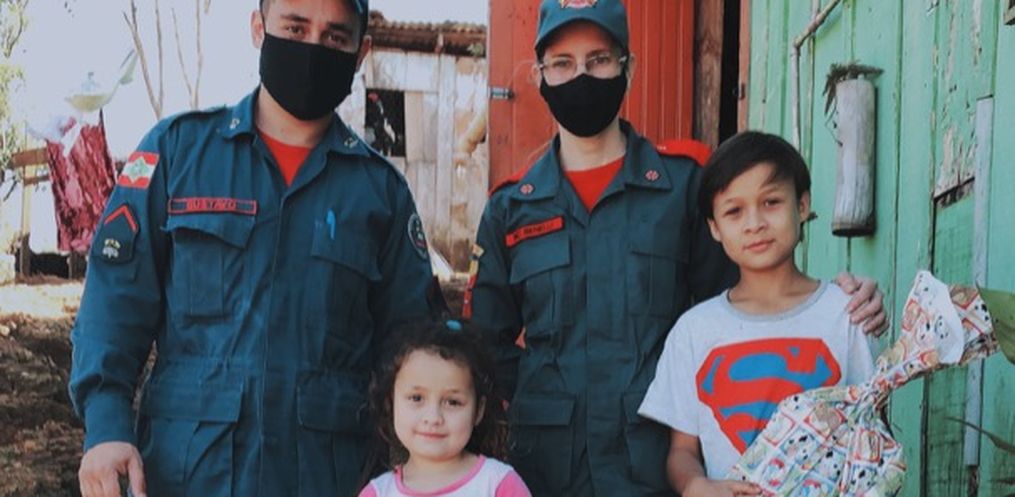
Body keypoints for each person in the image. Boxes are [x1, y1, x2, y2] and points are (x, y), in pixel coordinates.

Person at [464, 1, 887, 496]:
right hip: (546, 468)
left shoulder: (683, 185)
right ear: (539, 76)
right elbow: (483, 345)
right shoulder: (511, 208)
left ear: (628, 68)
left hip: (658, 463)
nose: (581, 76)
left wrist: (835, 300)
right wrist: (546, 394)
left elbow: (747, 302)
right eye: (562, 63)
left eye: (599, 59)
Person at [69, 1, 443, 496]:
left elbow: (417, 348)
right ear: (258, 27)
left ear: (361, 52)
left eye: (335, 37)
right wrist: (106, 426)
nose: (313, 48)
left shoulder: (380, 194)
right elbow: (114, 305)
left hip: (328, 477)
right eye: (295, 27)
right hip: (188, 476)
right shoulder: (178, 154)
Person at [637, 131, 876, 496]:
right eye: (734, 211)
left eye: (771, 202)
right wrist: (696, 485)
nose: (755, 224)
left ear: (802, 205)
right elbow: (682, 451)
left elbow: (872, 433)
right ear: (714, 228)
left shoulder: (846, 314)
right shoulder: (694, 330)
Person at [359, 320, 531, 497]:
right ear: (390, 403)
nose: (433, 417)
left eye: (452, 402)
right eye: (417, 398)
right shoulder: (378, 493)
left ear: (478, 410)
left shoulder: (499, 484)